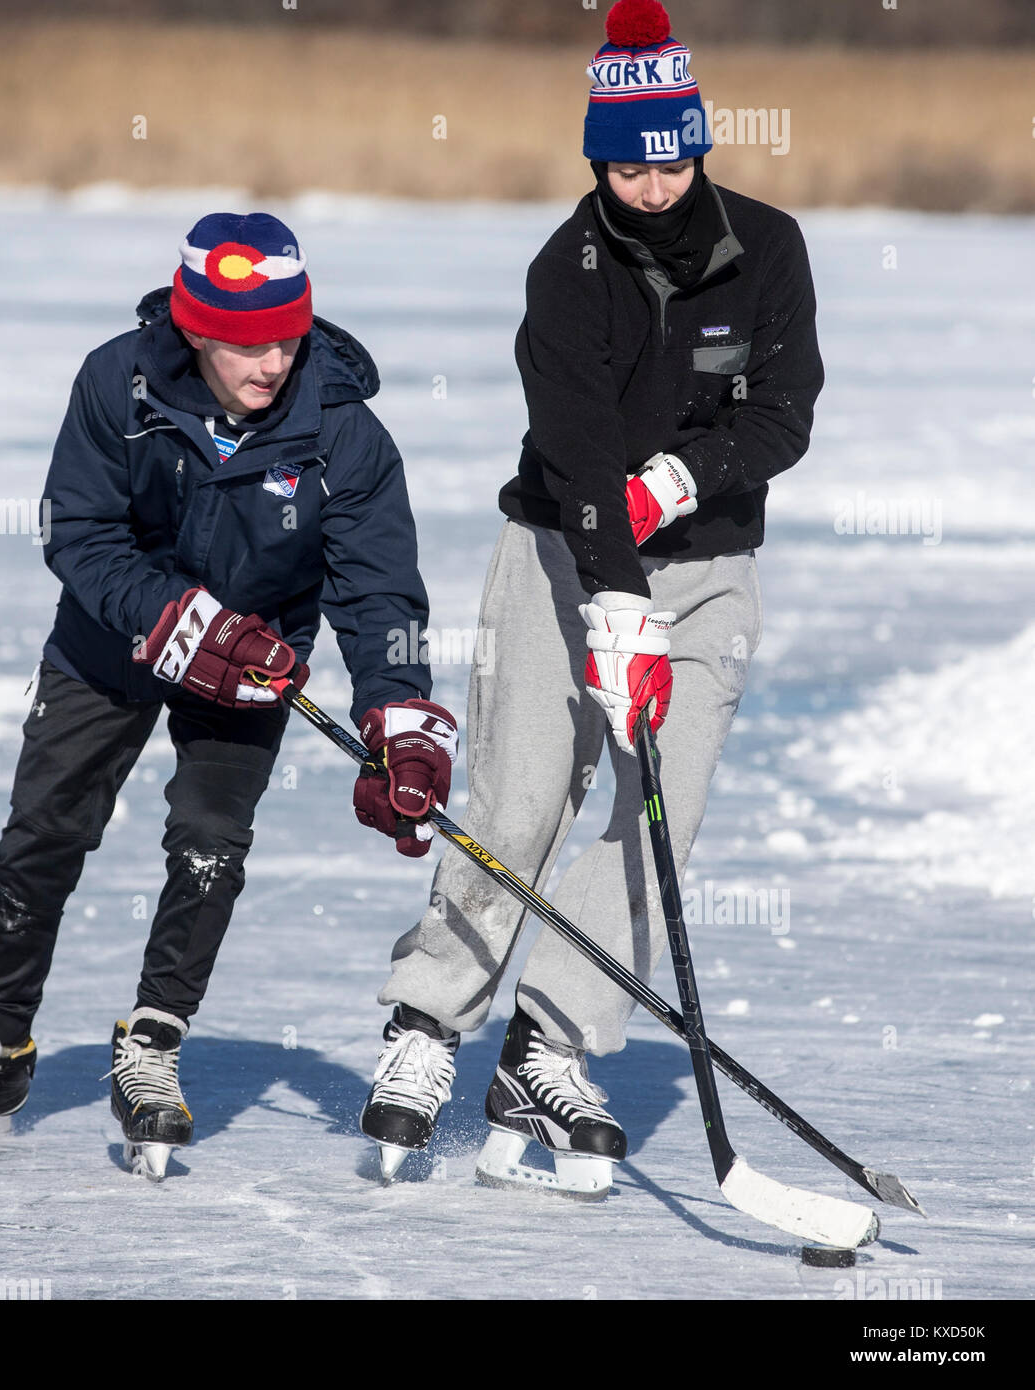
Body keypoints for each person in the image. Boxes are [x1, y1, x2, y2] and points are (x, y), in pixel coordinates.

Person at [0, 212, 457, 1179]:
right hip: (113, 641)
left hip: (253, 660)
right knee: (44, 829)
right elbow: (78, 532)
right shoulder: (116, 384)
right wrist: (176, 621)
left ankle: (153, 1044)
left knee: (210, 842)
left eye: (285, 337)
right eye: (242, 341)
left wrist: (400, 715)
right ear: (192, 330)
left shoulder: (343, 429)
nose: (269, 361)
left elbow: (378, 590)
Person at [359, 0, 824, 1196]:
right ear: (596, 155)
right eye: (624, 160)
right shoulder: (564, 270)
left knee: (655, 809)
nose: (649, 182)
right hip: (561, 553)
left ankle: (548, 1046)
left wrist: (688, 473)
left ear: (698, 143)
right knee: (517, 798)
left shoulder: (768, 249)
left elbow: (782, 413)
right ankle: (425, 1025)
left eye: (668, 156)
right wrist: (614, 601)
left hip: (710, 570)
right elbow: (573, 450)